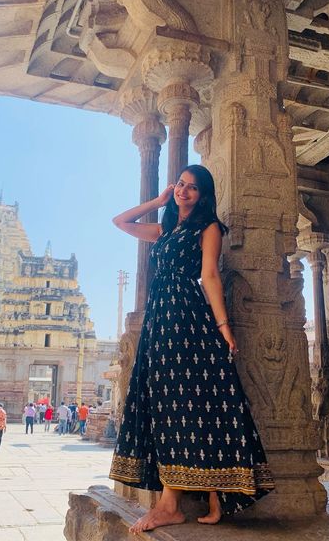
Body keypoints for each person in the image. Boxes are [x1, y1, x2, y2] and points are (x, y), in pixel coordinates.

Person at [109, 165, 274, 533]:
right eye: (180, 185)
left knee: (187, 400)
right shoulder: (166, 229)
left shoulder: (208, 228)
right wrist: (157, 200)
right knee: (167, 401)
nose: (184, 192)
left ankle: (175, 503)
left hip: (186, 316)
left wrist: (224, 327)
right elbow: (120, 222)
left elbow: (210, 275)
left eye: (192, 188)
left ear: (203, 195)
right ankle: (200, 494)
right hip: (159, 320)